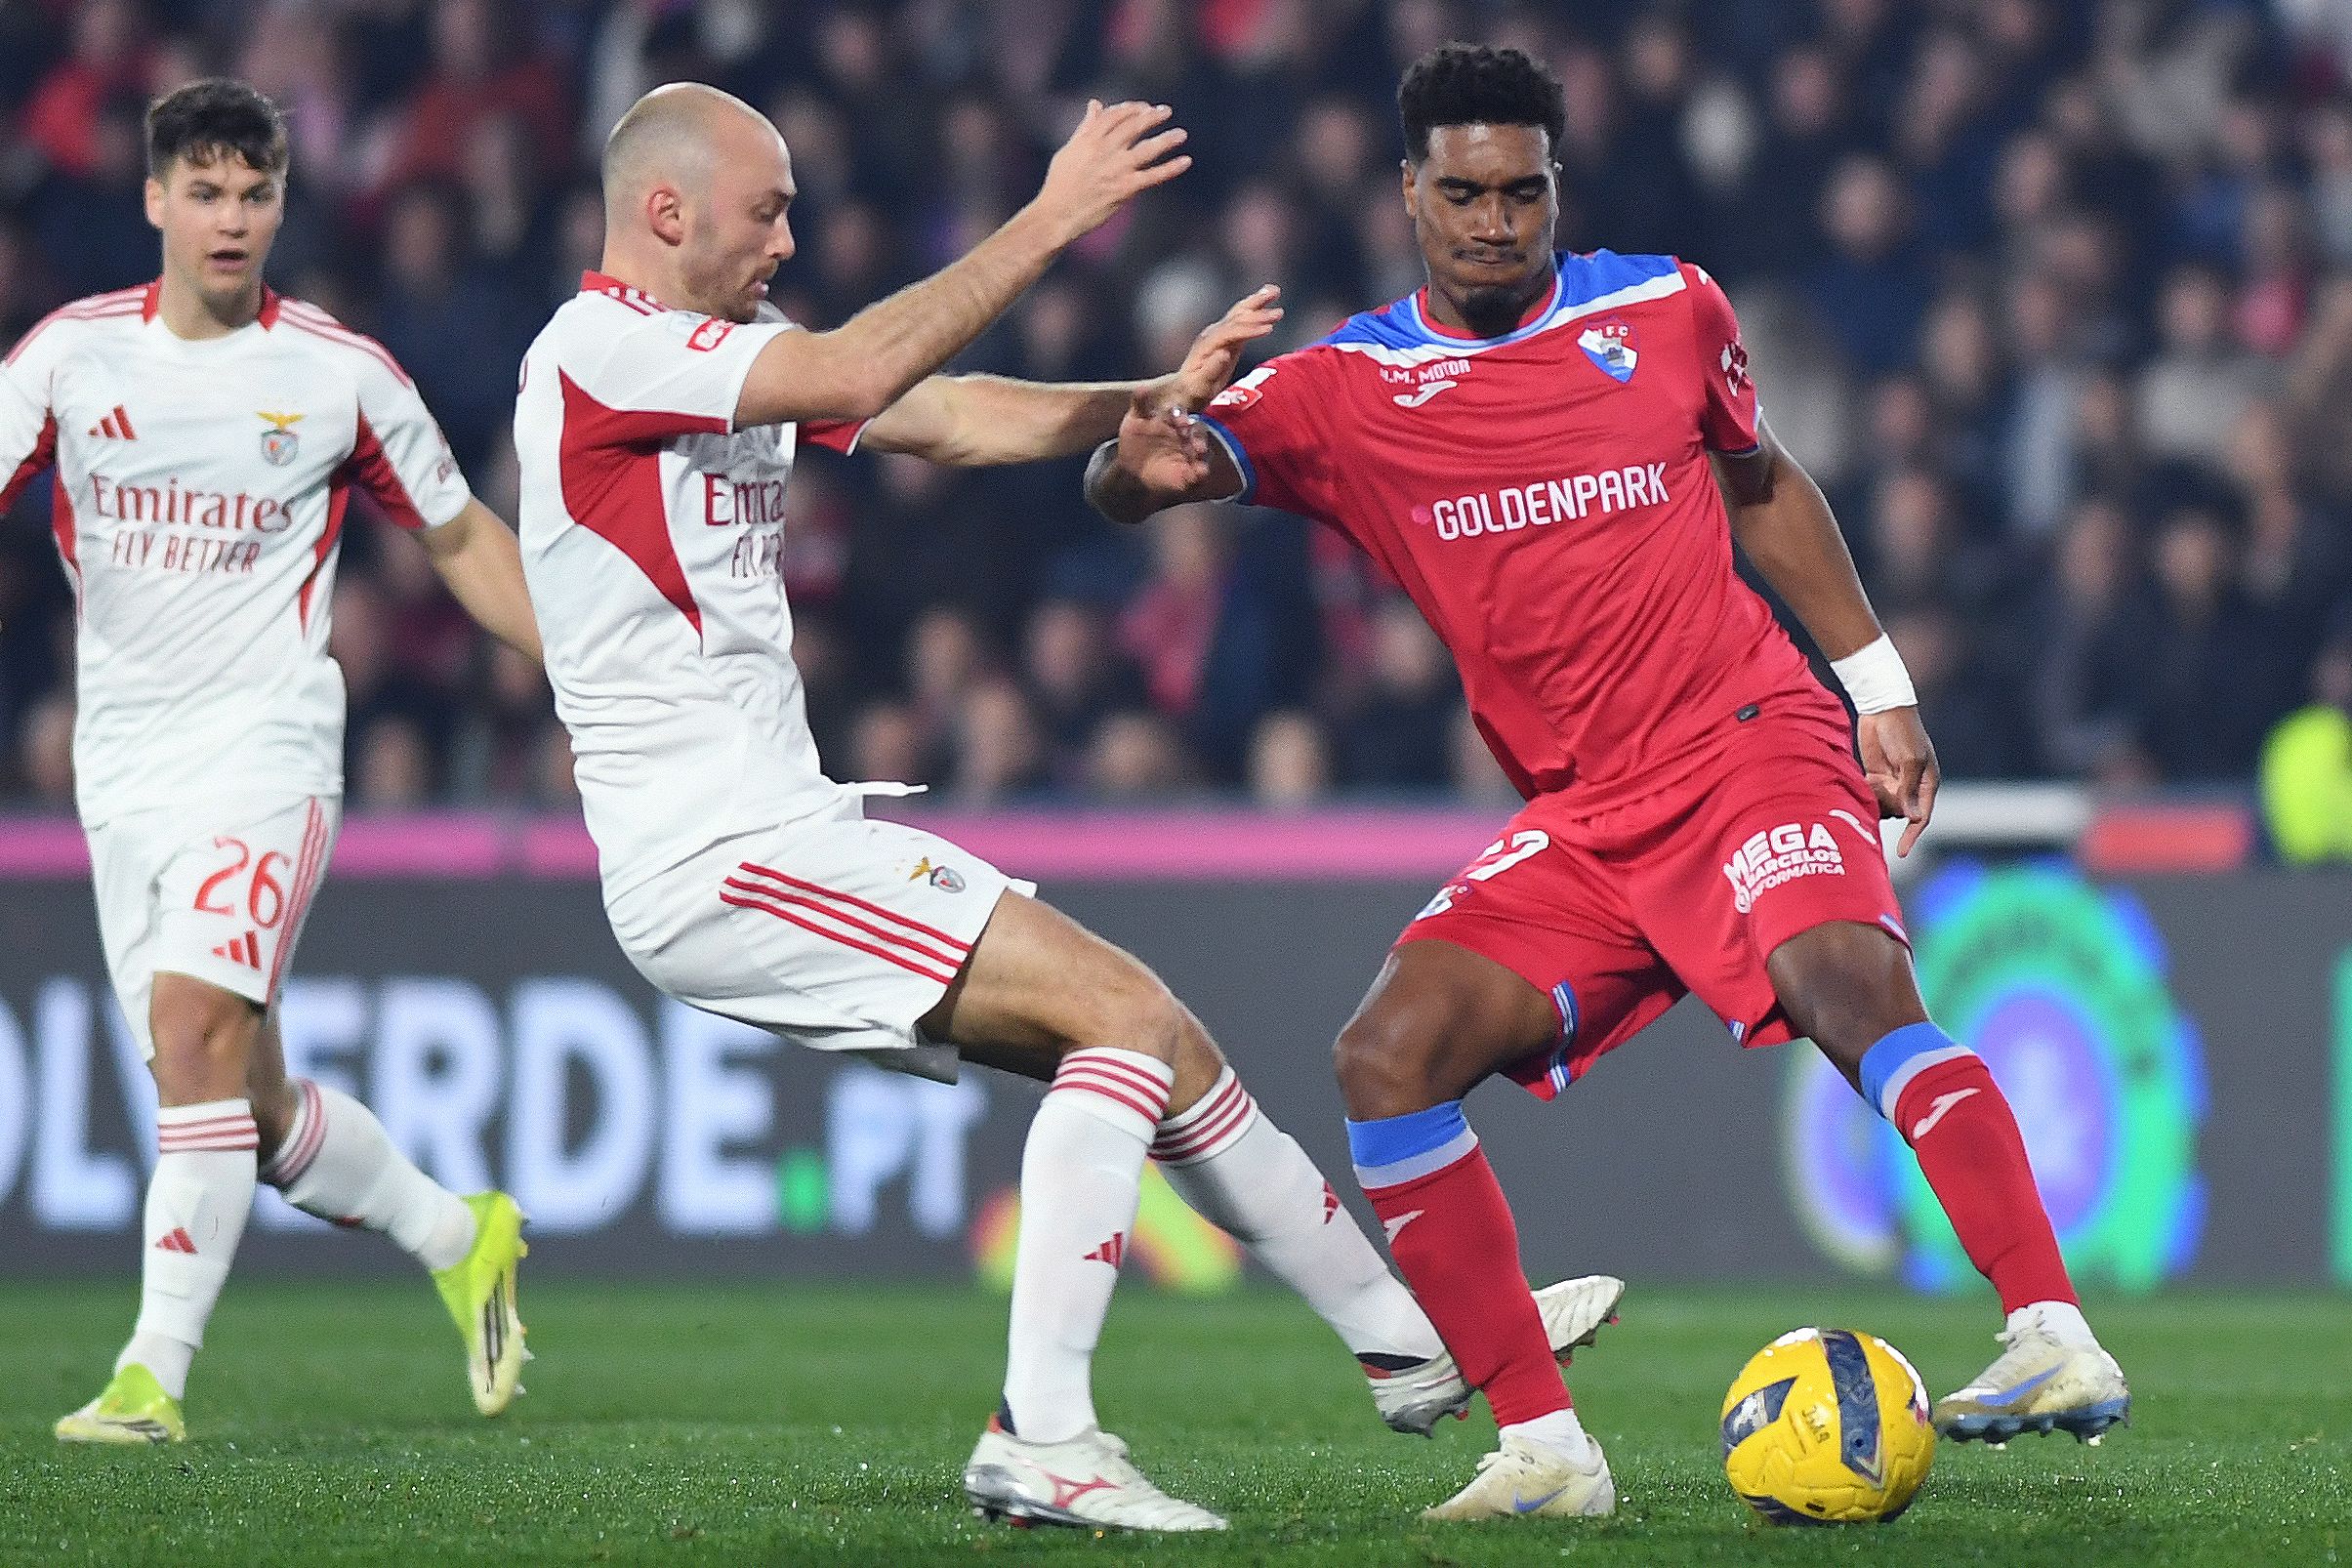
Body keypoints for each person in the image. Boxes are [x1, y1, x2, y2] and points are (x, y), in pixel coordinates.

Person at [513, 82, 1621, 1535]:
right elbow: (854, 376)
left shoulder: (719, 356)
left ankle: (1405, 1340)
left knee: (1157, 1029)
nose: (789, 232)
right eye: (767, 206)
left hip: (777, 833)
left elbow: (957, 416)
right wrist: (1054, 215)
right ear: (667, 212)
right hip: (715, 854)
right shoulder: (603, 350)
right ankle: (1043, 1430)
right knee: (1118, 1021)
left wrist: (1154, 401)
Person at [1087, 43, 2130, 1522]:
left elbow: (1758, 483)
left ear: (1554, 186)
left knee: (1849, 989)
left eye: (1522, 191)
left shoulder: (1662, 308)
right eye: (1463, 192)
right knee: (1386, 1053)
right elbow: (1142, 476)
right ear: (1408, 193)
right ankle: (1545, 1449)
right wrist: (1131, 465)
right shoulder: (1343, 391)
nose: (1495, 220)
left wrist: (1877, 687)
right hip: (1586, 817)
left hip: (1748, 739)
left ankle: (2049, 1331)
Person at [0, 80, 541, 1444]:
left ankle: (151, 1376)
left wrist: (592, 673)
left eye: (254, 194)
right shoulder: (68, 361)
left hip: (268, 748)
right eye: (205, 192)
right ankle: (456, 1230)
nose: (230, 219)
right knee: (241, 1094)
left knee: (191, 1030)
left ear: (282, 203)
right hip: (125, 771)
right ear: (154, 201)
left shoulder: (338, 373)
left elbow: (463, 535)